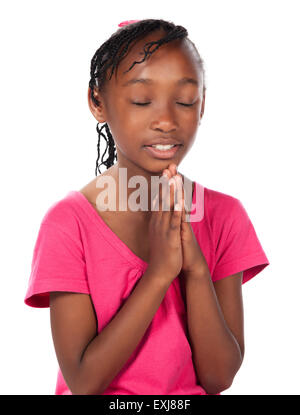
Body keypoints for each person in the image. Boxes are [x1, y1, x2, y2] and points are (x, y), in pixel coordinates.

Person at [24, 18, 270, 395]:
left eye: (185, 101)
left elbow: (219, 377)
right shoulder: (68, 223)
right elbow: (84, 381)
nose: (167, 121)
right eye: (142, 100)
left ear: (202, 104)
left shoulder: (224, 216)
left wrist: (196, 270)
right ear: (97, 102)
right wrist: (159, 274)